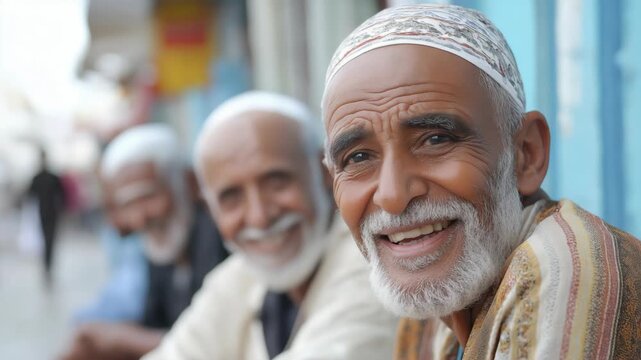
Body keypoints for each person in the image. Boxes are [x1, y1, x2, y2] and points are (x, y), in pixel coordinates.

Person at [321, 4, 641, 359]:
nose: (393, 196)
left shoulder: (562, 274)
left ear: (525, 153)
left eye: (435, 140)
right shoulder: (435, 305)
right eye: (359, 158)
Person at [143, 91, 398, 360]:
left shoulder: (374, 260)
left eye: (277, 182)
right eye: (232, 198)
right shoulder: (237, 278)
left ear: (325, 172)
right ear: (210, 209)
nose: (259, 217)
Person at [62, 124, 228, 360]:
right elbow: (156, 323)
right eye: (128, 204)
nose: (139, 219)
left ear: (188, 184)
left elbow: (217, 346)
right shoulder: (164, 249)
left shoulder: (219, 238)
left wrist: (119, 337)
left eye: (147, 197)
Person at [27, 148, 65, 285]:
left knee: (49, 240)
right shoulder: (45, 177)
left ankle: (48, 266)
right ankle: (47, 266)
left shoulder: (45, 177)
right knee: (47, 240)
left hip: (49, 213)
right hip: (46, 213)